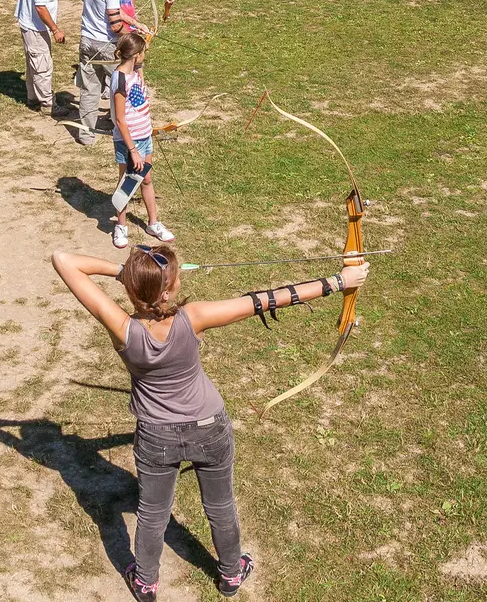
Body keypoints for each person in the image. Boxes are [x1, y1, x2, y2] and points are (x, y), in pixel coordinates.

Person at [50, 245, 371, 600]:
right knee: (220, 506)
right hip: (209, 427)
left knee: (153, 512)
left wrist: (126, 272)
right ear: (168, 289)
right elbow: (268, 299)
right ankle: (231, 574)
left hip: (155, 437)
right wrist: (340, 281)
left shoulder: (121, 326)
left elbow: (63, 260)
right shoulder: (194, 316)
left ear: (133, 289)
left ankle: (144, 582)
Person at [109, 30, 172, 248]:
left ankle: (153, 223)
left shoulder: (135, 71)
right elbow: (120, 119)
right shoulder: (119, 80)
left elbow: (141, 85)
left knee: (146, 179)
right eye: (143, 52)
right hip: (129, 141)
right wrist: (133, 149)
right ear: (135, 55)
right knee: (126, 183)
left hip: (144, 135)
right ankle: (121, 225)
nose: (145, 55)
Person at [76, 0, 135, 143]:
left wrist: (136, 24)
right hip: (106, 45)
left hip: (86, 41)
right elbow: (116, 25)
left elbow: (113, 10)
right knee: (120, 86)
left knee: (89, 88)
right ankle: (123, 127)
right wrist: (134, 39)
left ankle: (86, 134)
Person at [15, 0, 73, 114]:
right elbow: (40, 7)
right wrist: (55, 29)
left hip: (30, 24)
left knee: (34, 63)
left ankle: (33, 97)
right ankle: (48, 104)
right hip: (36, 27)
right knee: (42, 66)